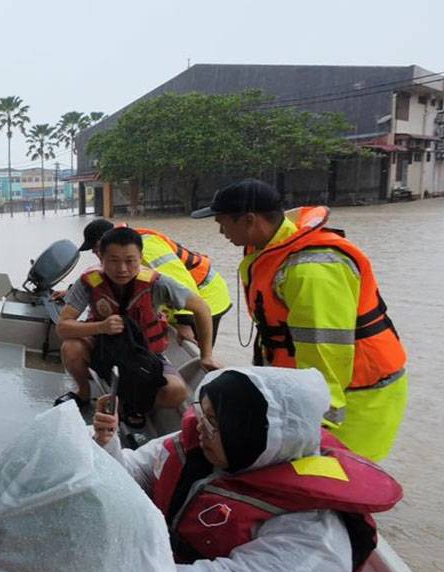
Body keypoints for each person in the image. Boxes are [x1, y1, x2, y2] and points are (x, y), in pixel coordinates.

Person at [92, 366, 403, 572]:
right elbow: (131, 474)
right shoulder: (201, 449)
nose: (200, 425)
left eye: (215, 420)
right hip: (162, 569)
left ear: (251, 433)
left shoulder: (313, 539)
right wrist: (107, 445)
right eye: (203, 411)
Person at [191, 179, 407, 462]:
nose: (220, 231)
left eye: (223, 223)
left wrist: (318, 422)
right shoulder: (269, 247)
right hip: (308, 379)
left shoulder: (312, 269)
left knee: (338, 477)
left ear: (249, 220)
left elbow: (326, 351)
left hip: (358, 392)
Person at [56, 226, 219, 410]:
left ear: (140, 258)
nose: (122, 269)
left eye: (130, 261)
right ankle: (84, 392)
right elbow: (63, 327)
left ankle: (130, 403)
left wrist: (206, 356)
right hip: (102, 346)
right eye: (114, 261)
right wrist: (100, 327)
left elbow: (202, 308)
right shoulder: (89, 281)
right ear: (101, 258)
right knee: (70, 348)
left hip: (143, 354)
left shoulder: (158, 283)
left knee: (177, 392)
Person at [76, 218, 232, 345]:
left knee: (195, 346)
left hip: (207, 296)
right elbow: (104, 275)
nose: (97, 254)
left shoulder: (147, 248)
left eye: (97, 249)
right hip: (183, 300)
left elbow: (180, 280)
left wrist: (185, 322)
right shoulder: (125, 250)